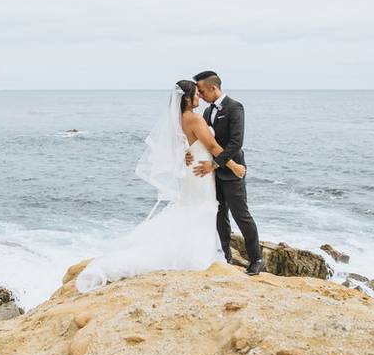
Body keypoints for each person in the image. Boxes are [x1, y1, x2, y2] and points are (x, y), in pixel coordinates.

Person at [75, 79, 246, 293]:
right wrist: (234, 166)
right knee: (201, 209)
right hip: (201, 172)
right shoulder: (193, 119)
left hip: (194, 170)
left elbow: (183, 145)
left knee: (193, 209)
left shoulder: (179, 119)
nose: (199, 97)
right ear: (187, 98)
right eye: (196, 94)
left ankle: (196, 251)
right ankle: (197, 256)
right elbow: (211, 145)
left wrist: (187, 153)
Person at [187, 71, 264, 276]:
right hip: (212, 176)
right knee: (219, 215)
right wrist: (187, 154)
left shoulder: (235, 107)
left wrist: (215, 164)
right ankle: (226, 256)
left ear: (213, 88)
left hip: (231, 172)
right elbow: (205, 142)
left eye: (202, 91)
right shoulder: (205, 113)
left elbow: (236, 143)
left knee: (241, 215)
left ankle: (256, 259)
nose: (200, 95)